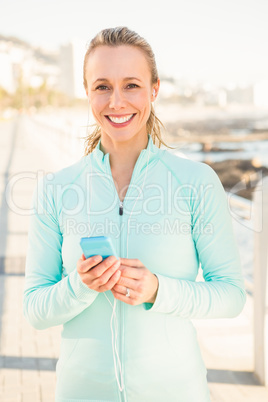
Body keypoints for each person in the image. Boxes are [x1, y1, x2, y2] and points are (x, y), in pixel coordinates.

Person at [23, 26, 247, 402]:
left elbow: (231, 294)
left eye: (131, 85)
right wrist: (81, 286)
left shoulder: (195, 181)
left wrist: (159, 289)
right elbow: (34, 309)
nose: (116, 101)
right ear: (88, 92)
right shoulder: (56, 190)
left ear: (154, 89)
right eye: (102, 86)